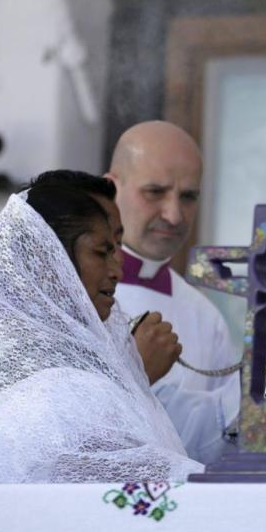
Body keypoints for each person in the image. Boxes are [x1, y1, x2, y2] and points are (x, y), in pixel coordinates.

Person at [0, 180, 202, 483]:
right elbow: (146, 487)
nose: (117, 269)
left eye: (117, 247)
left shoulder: (82, 366)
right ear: (50, 263)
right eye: (102, 251)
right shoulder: (61, 389)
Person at [106, 121, 240, 463]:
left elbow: (223, 443)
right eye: (154, 192)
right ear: (111, 189)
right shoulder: (65, 298)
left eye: (188, 197)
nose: (174, 214)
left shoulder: (204, 314)